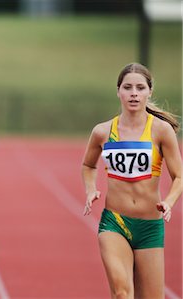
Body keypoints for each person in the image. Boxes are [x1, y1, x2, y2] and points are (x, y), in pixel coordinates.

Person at [81, 62, 182, 298]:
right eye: (127, 87)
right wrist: (90, 189)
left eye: (140, 87)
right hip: (114, 222)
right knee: (122, 292)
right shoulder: (102, 131)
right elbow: (88, 165)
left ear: (149, 92)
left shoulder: (161, 131)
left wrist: (169, 201)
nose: (134, 93)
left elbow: (179, 176)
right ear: (118, 91)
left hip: (149, 226)